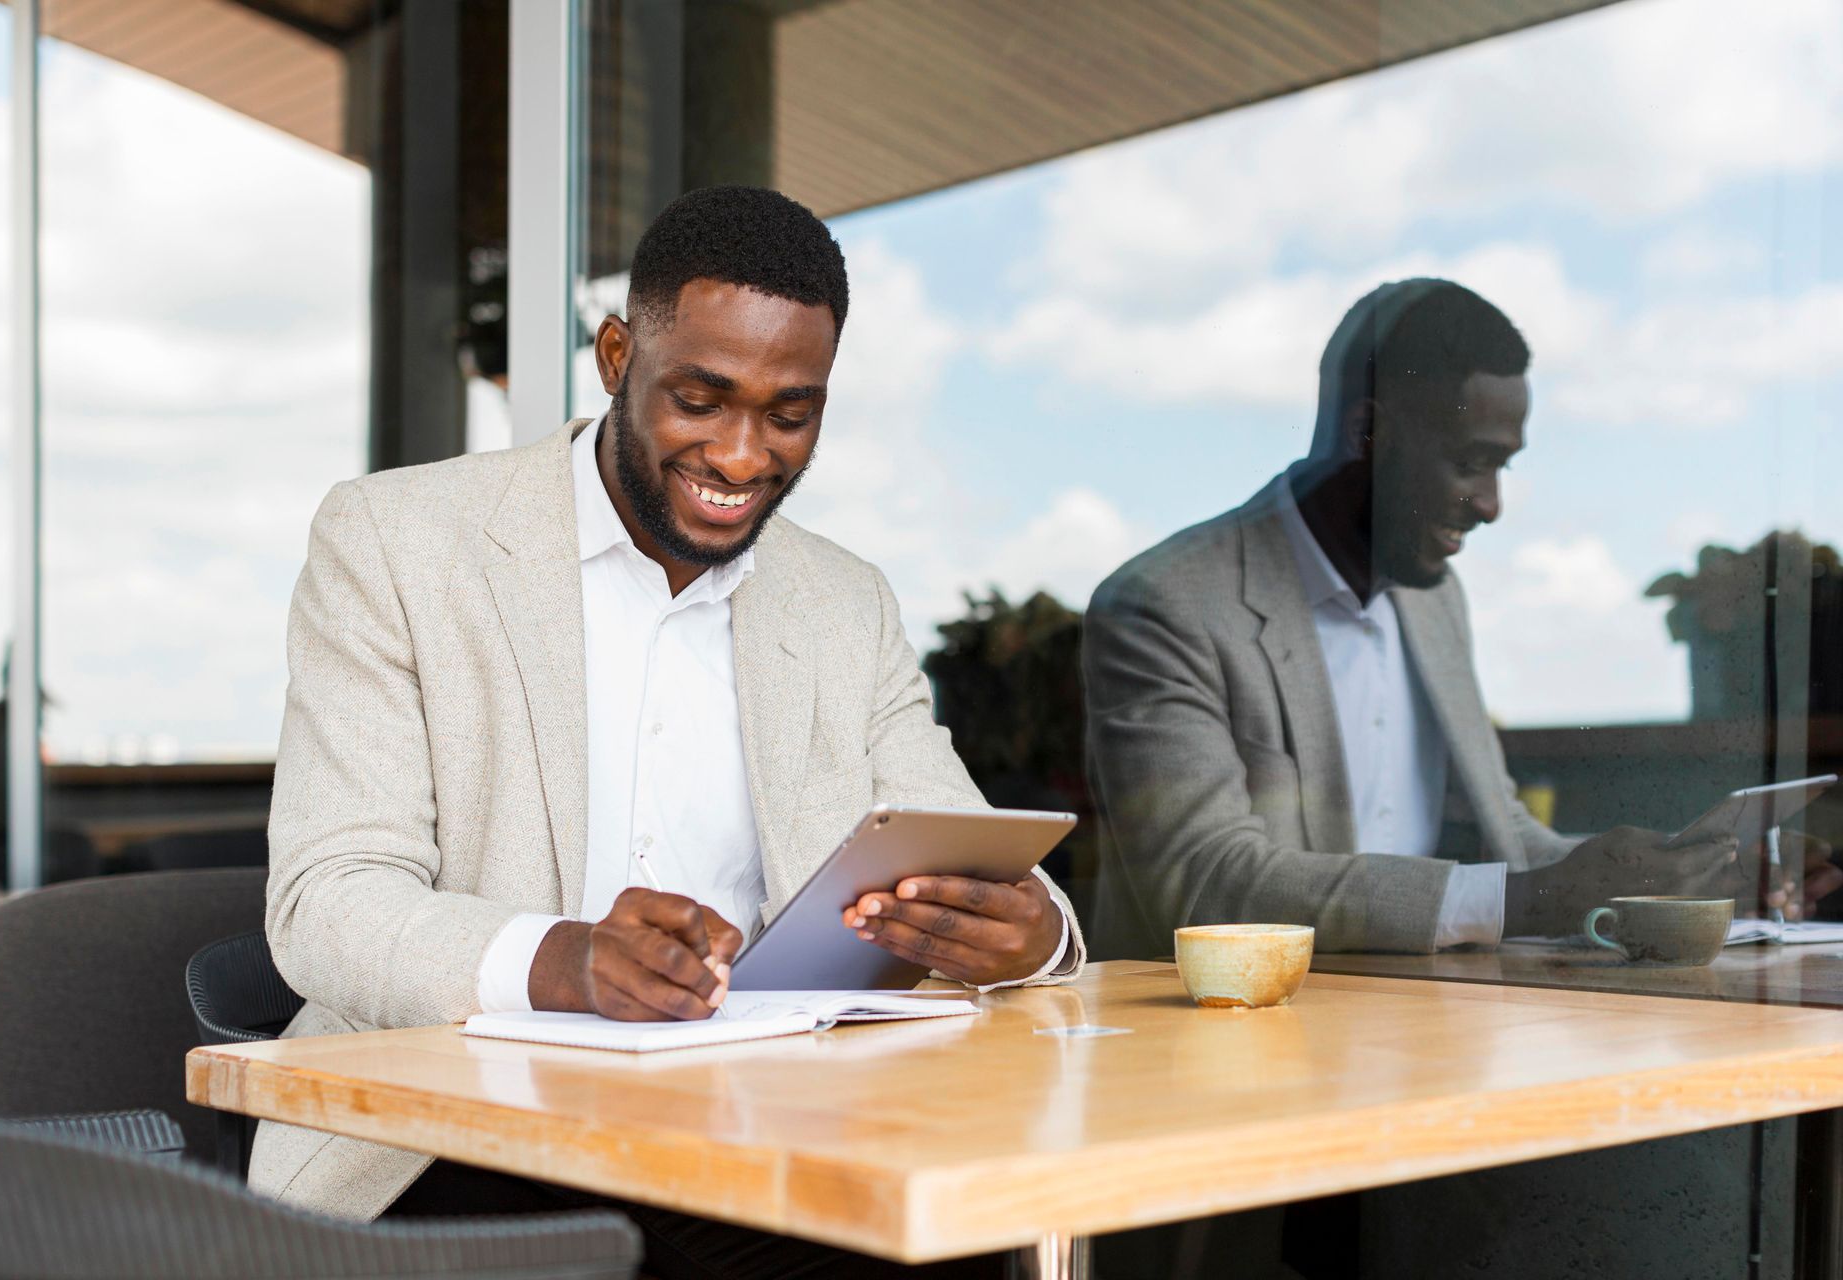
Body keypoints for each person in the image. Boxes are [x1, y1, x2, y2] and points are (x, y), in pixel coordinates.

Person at [252, 185, 1082, 1278]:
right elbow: (327, 899)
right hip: (455, 1134)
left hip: (770, 1119)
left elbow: (971, 848)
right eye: (701, 398)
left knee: (955, 1232)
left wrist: (1032, 938)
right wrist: (568, 960)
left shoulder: (844, 601)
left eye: (791, 413)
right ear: (613, 358)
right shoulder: (398, 542)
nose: (743, 456)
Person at [1083, 278, 1838, 959]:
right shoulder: (1166, 605)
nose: (1491, 505)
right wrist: (1536, 900)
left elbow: (1511, 843)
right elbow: (1204, 883)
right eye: (1472, 463)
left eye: (1503, 467)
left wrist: (1693, 876)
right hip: (1239, 1044)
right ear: (1368, 434)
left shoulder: (1435, 597)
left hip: (1430, 1020)